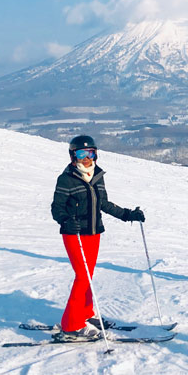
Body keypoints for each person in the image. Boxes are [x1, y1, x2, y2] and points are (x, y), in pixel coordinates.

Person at [50, 135, 145, 342]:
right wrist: (66, 221)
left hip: (94, 234)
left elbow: (105, 204)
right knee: (82, 277)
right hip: (74, 234)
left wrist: (128, 215)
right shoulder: (65, 179)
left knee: (88, 277)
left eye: (90, 153)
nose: (86, 158)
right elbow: (56, 208)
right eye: (81, 154)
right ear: (73, 156)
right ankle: (70, 326)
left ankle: (85, 314)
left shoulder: (97, 176)